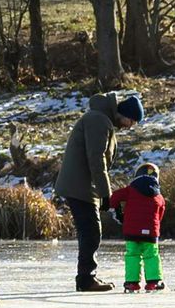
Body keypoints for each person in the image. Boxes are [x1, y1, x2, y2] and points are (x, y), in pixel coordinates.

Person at [55, 91, 145, 293]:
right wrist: (106, 195)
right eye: (132, 121)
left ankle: (87, 276)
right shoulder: (99, 120)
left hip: (82, 185)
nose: (131, 126)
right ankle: (86, 279)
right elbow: (97, 161)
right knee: (91, 232)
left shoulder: (101, 119)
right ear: (124, 114)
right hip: (79, 186)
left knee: (91, 231)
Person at [112, 156, 167, 292]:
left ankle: (132, 282)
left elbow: (114, 198)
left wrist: (118, 212)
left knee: (132, 255)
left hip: (131, 231)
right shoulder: (159, 197)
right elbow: (160, 214)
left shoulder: (130, 190)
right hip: (151, 232)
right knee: (152, 255)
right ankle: (153, 281)